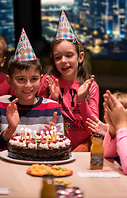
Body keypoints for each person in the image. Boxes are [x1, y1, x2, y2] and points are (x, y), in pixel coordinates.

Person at [0, 29, 64, 151]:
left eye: (34, 79)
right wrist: (10, 130)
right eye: (21, 79)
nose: (28, 85)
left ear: (41, 79)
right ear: (9, 80)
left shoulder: (52, 109)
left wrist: (52, 140)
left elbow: (60, 148)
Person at [38, 11, 99, 152]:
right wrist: (52, 99)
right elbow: (40, 117)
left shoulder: (90, 85)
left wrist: (82, 100)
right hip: (53, 145)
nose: (63, 61)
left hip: (83, 147)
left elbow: (93, 126)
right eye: (58, 57)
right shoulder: (48, 81)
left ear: (80, 57)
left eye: (69, 55)